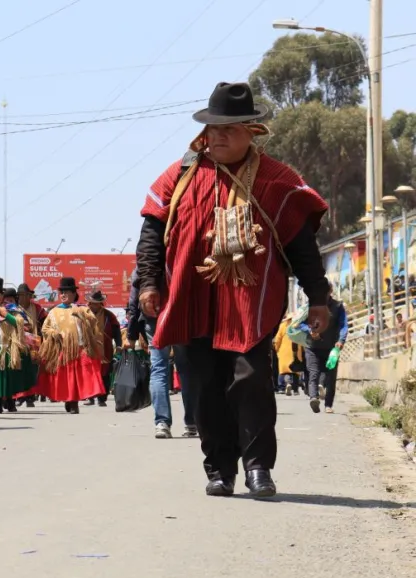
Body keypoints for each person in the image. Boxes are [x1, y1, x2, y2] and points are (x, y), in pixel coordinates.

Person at [136, 81, 330, 499]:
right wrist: (150, 282)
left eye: (230, 128)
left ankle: (258, 468)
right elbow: (152, 231)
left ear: (251, 132)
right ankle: (219, 469)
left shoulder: (278, 181)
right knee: (205, 387)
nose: (219, 136)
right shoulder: (180, 176)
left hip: (250, 304)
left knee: (251, 381)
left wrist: (318, 297)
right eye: (213, 129)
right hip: (191, 300)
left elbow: (301, 245)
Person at [126, 267, 195, 439]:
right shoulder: (180, 260)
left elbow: (134, 301)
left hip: (154, 319)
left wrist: (131, 334)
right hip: (181, 318)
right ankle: (192, 423)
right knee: (186, 371)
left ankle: (162, 423)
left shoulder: (144, 267)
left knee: (159, 370)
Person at [37, 277, 106, 413]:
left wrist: (84, 317)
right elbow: (44, 329)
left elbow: (93, 322)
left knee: (77, 377)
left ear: (74, 294)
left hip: (79, 348)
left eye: (67, 292)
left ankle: (74, 402)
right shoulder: (53, 311)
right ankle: (68, 399)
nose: (63, 295)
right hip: (61, 349)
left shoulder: (82, 309)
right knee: (65, 378)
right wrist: (53, 333)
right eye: (61, 292)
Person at [0, 284, 37, 413]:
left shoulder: (11, 309)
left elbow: (20, 323)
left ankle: (11, 402)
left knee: (8, 377)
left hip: (8, 347)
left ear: (2, 296)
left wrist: (5, 315)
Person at [302, 281, 347, 413]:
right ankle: (313, 398)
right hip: (312, 347)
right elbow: (298, 324)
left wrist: (341, 340)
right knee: (314, 373)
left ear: (330, 291)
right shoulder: (310, 305)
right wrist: (309, 331)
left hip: (331, 348)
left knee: (330, 376)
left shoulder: (338, 306)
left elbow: (343, 325)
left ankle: (328, 405)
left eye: (325, 291)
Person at [84, 287, 121, 407]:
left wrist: (119, 344)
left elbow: (116, 330)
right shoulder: (84, 314)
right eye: (92, 303)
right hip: (87, 348)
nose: (94, 306)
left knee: (104, 374)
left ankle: (102, 398)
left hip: (105, 349)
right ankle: (89, 397)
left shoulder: (109, 315)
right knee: (89, 373)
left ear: (101, 303)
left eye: (96, 303)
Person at [273, 313, 305, 396]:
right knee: (295, 371)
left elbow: (277, 339)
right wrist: (303, 350)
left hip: (284, 351)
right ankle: (295, 390)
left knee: (285, 370)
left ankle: (286, 384)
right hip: (296, 351)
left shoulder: (283, 326)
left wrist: (276, 349)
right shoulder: (298, 326)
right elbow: (303, 338)